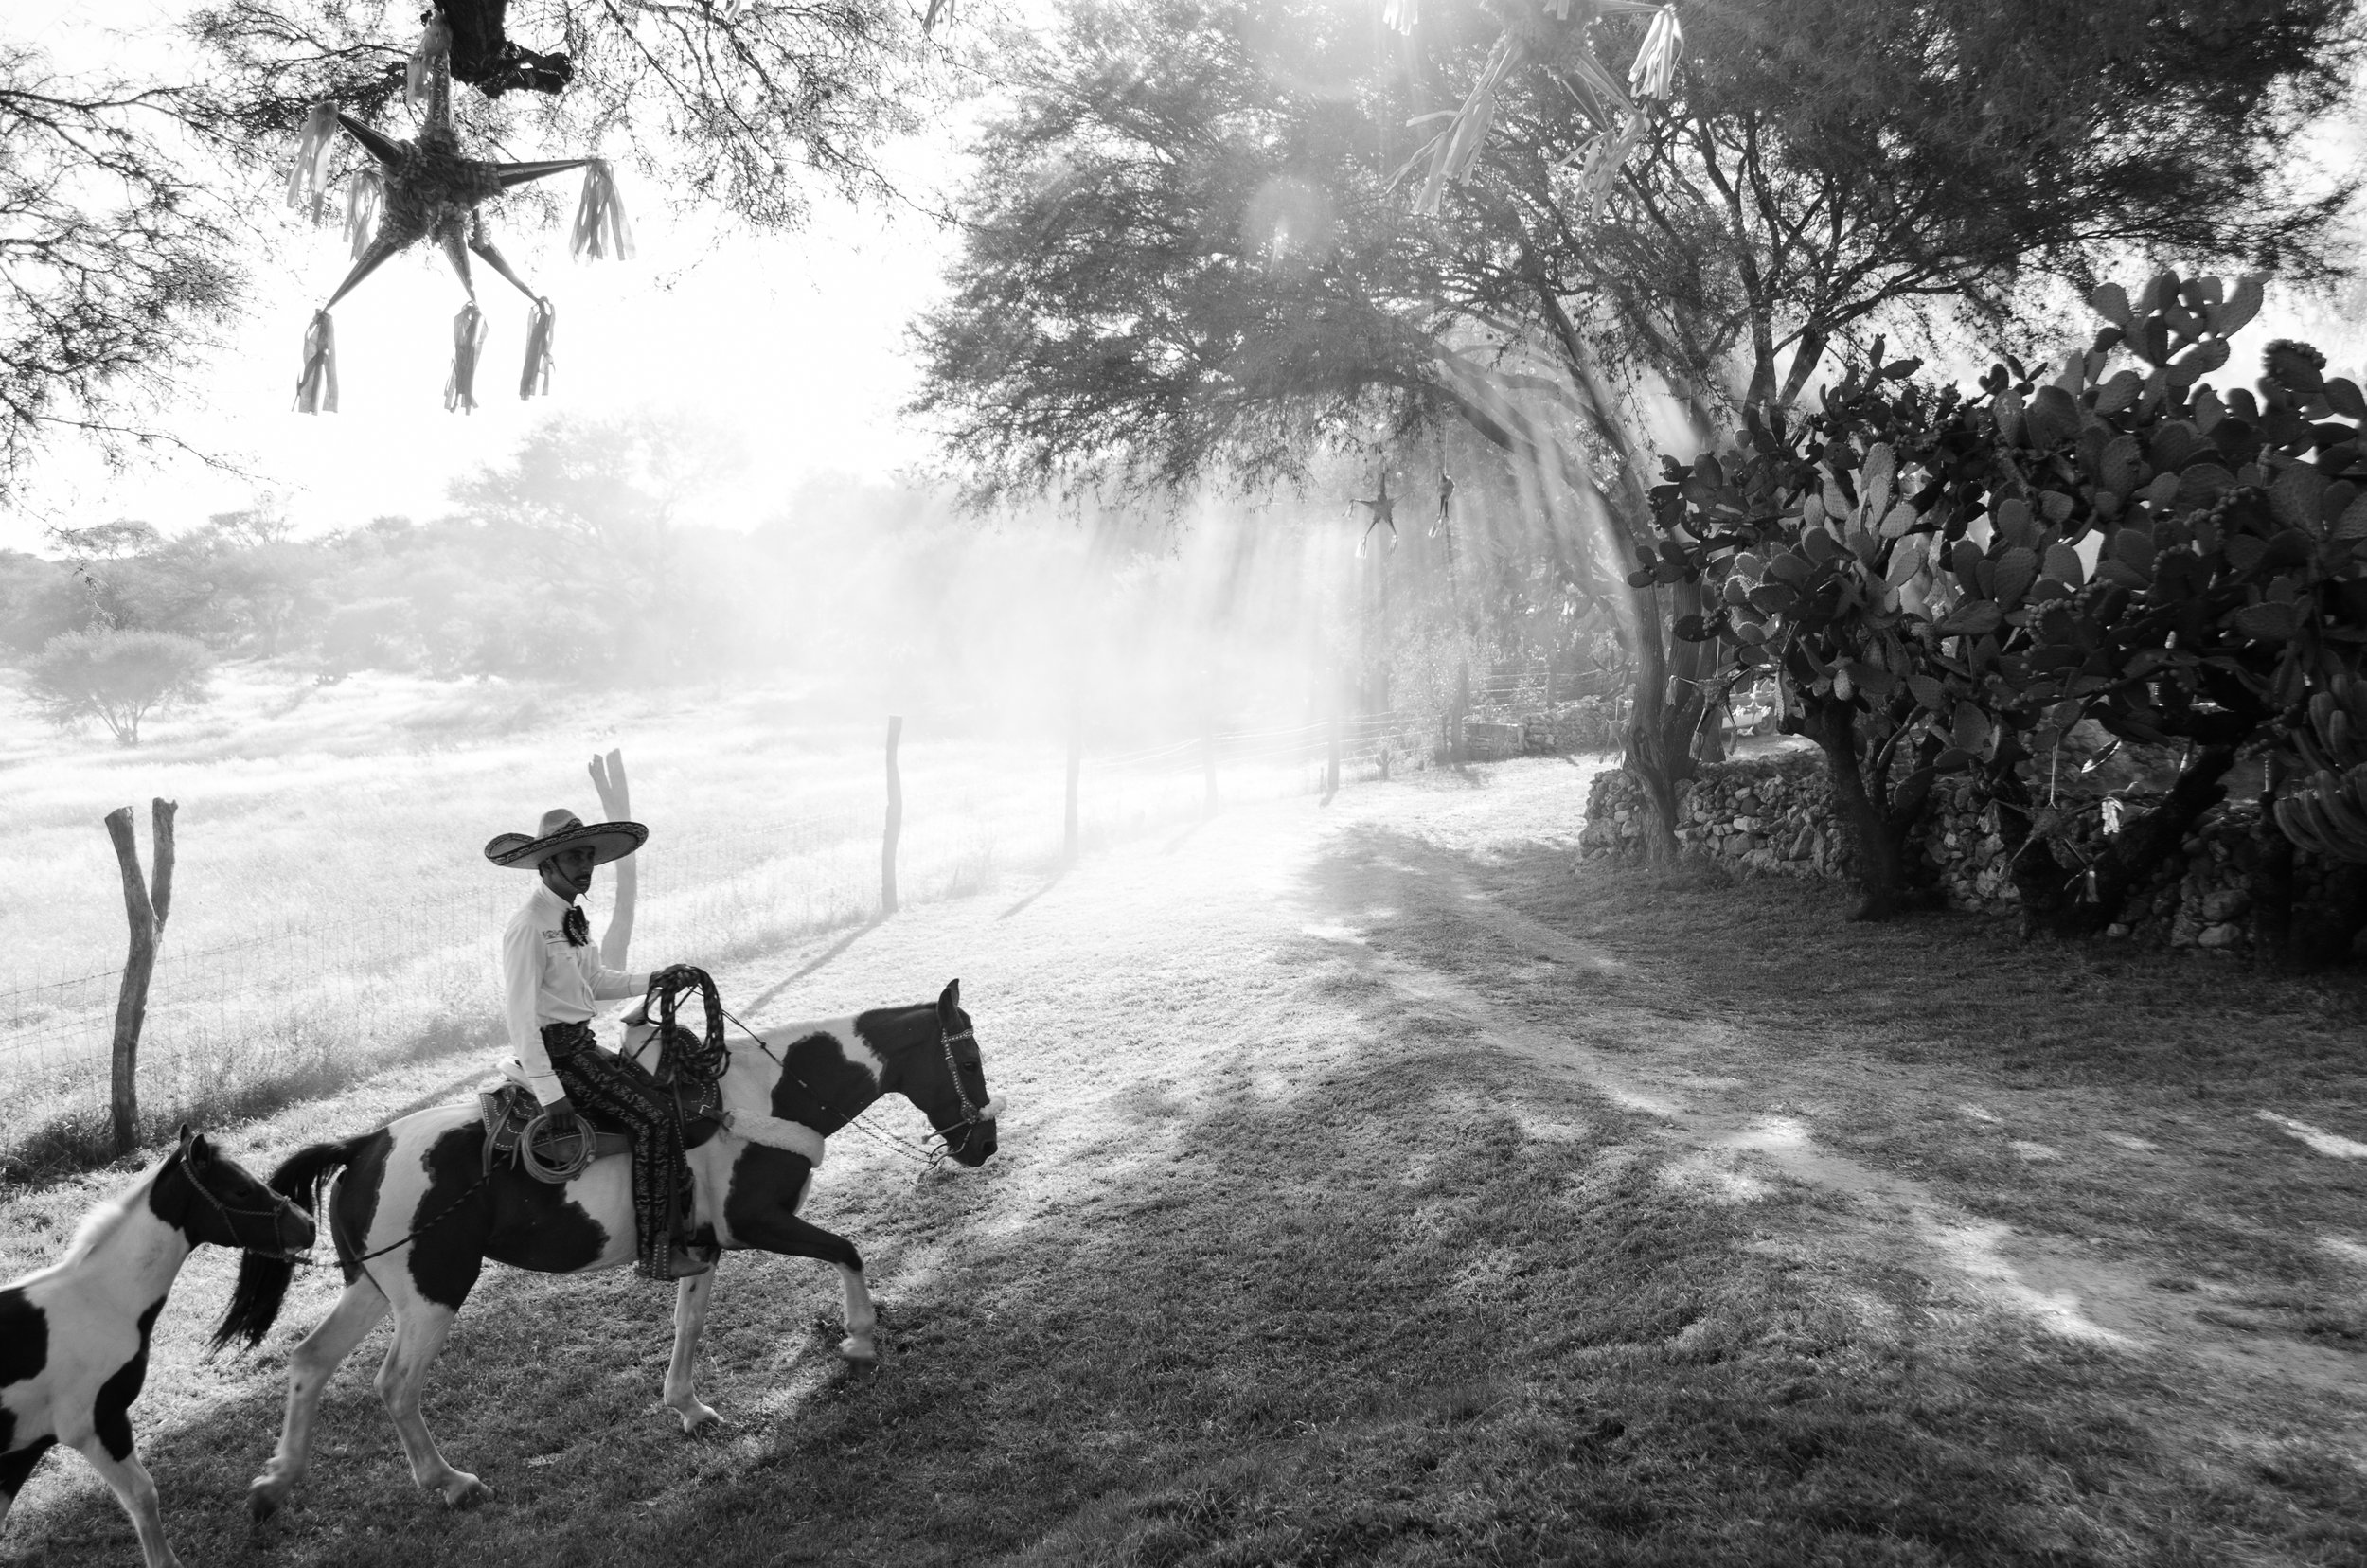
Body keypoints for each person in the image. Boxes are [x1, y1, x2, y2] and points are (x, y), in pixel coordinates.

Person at [484, 807, 709, 1281]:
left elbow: (595, 982)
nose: (585, 866)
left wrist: (657, 979)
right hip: (559, 1054)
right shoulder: (528, 925)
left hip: (581, 1045)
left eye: (588, 855)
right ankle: (656, 1252)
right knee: (654, 1119)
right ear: (546, 865)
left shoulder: (570, 917)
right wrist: (550, 1091)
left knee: (666, 1092)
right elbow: (519, 1015)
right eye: (573, 856)